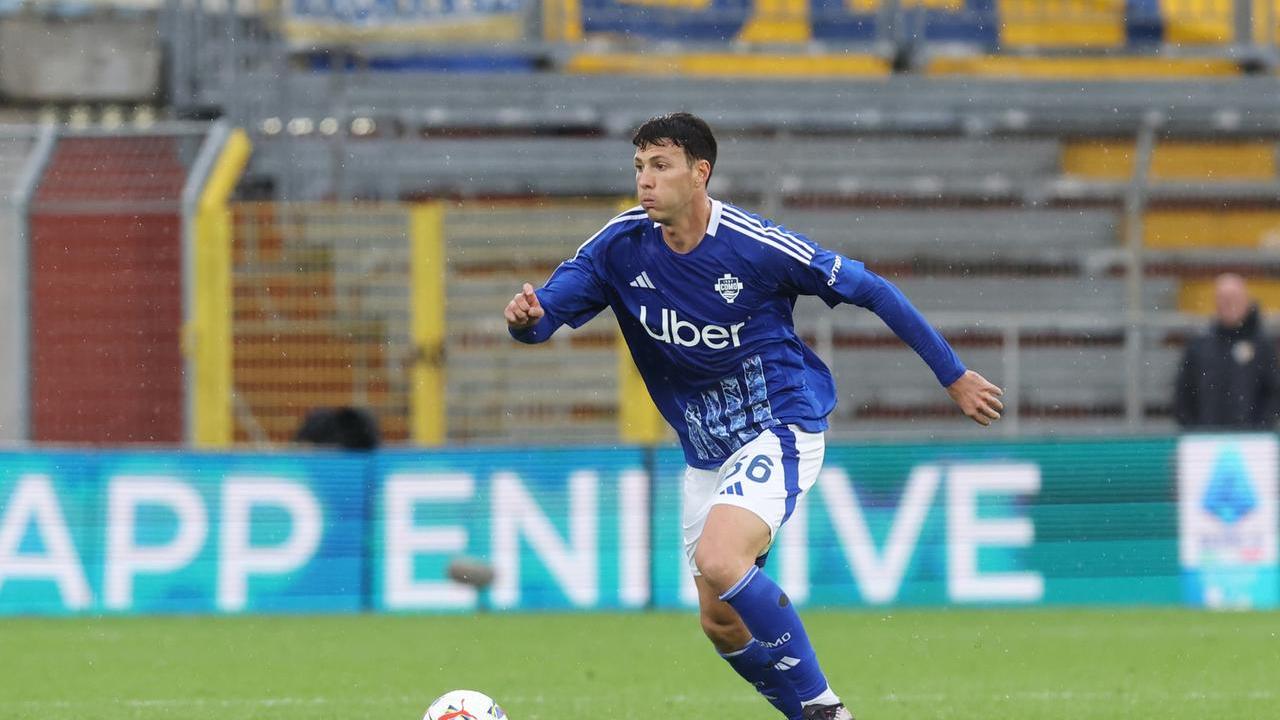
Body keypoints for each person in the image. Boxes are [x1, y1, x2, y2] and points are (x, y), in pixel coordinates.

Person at [503, 113, 1003, 720]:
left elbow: (871, 289)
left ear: (700, 173)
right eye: (639, 167)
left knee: (721, 559)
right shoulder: (617, 247)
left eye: (660, 166)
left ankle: (826, 709)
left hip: (780, 424)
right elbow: (545, 316)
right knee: (719, 622)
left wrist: (952, 374)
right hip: (706, 451)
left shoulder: (757, 245)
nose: (645, 181)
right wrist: (524, 322)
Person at [1174, 273, 1280, 430]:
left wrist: (1260, 428)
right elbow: (1183, 394)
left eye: (1234, 297)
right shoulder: (1199, 345)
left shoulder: (1263, 345)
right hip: (1206, 442)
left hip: (1253, 445)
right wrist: (1195, 429)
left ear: (1246, 300)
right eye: (1222, 298)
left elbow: (1273, 392)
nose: (1228, 303)